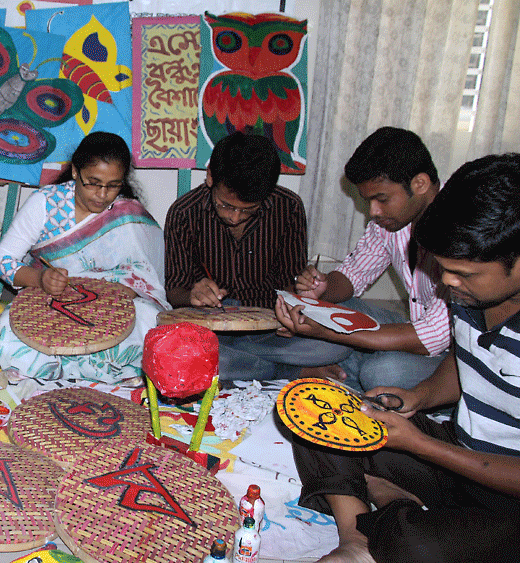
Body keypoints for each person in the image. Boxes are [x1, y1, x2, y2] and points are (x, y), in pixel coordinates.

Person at [291, 153, 520, 563]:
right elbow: (464, 360)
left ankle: (388, 500)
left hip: (507, 492)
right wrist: (419, 396)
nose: (447, 282)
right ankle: (355, 537)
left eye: (463, 274)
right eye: (446, 269)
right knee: (315, 411)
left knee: (415, 548)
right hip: (460, 455)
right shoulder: (472, 293)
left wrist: (423, 447)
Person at [164, 131, 347, 381]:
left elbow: (289, 283)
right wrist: (193, 295)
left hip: (269, 324)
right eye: (226, 205)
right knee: (190, 351)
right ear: (210, 177)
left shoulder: (288, 207)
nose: (234, 217)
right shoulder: (183, 213)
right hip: (214, 327)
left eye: (248, 210)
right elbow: (175, 291)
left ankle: (244, 365)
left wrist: (294, 310)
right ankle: (288, 371)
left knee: (337, 346)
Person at [276, 127, 449, 391]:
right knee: (334, 307)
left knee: (384, 373)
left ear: (420, 184)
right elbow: (353, 275)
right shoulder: (391, 221)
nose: (374, 211)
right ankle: (355, 366)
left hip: (457, 357)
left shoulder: (459, 225)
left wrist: (329, 333)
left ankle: (360, 369)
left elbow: (432, 338)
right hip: (415, 325)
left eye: (381, 199)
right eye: (368, 201)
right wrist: (322, 288)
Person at [0, 132, 168, 385]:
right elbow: (2, 260)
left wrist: (127, 290)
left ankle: (105, 368)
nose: (102, 194)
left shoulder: (126, 212)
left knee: (149, 321)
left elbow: (145, 274)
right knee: (7, 327)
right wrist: (40, 278)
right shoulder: (46, 204)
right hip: (54, 302)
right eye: (93, 183)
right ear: (75, 172)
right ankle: (103, 371)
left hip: (110, 309)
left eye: (113, 185)